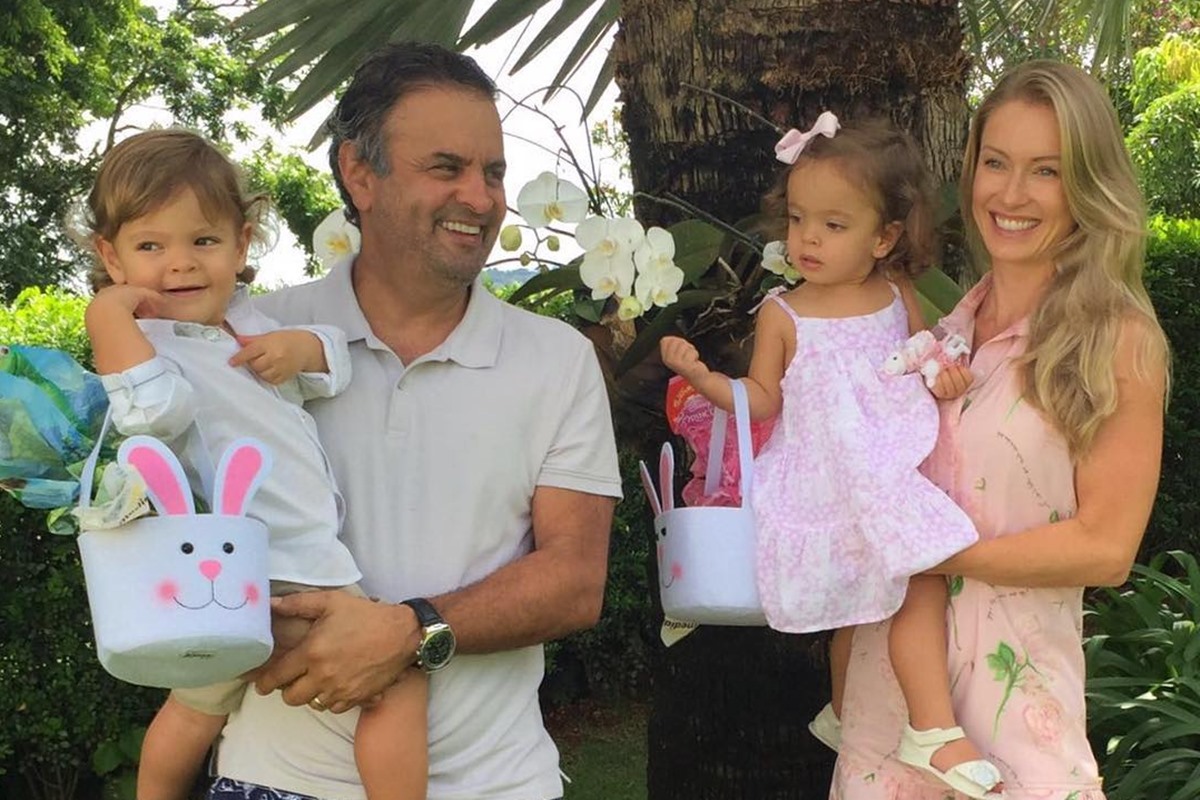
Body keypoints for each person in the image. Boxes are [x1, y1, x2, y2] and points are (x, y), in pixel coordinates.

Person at [205, 42, 622, 800]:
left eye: (493, 172)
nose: (483, 196)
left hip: (498, 785)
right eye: (447, 167)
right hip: (275, 779)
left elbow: (574, 581)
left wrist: (410, 630)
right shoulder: (252, 337)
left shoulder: (556, 359)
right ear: (359, 174)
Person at [830, 60, 1169, 800]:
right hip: (888, 722)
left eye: (1045, 170)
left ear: (1085, 185)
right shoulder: (935, 338)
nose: (1011, 195)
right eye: (996, 163)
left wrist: (935, 556)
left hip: (1018, 726)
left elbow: (1107, 547)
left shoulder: (1114, 339)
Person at [660, 114, 1003, 799]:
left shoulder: (895, 298)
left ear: (884, 237)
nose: (807, 238)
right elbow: (763, 400)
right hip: (820, 475)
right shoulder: (782, 314)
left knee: (881, 592)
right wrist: (704, 380)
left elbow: (919, 363)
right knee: (901, 583)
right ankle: (931, 728)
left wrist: (945, 377)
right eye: (797, 219)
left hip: (881, 463)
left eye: (833, 225)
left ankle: (846, 712)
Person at [80, 129, 428, 800]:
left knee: (194, 710)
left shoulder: (243, 327)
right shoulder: (143, 344)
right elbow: (151, 415)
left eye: (203, 242)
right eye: (150, 246)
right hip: (277, 571)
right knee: (398, 683)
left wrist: (303, 348)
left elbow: (335, 365)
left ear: (241, 245)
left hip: (243, 576)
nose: (179, 264)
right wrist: (106, 316)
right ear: (111, 257)